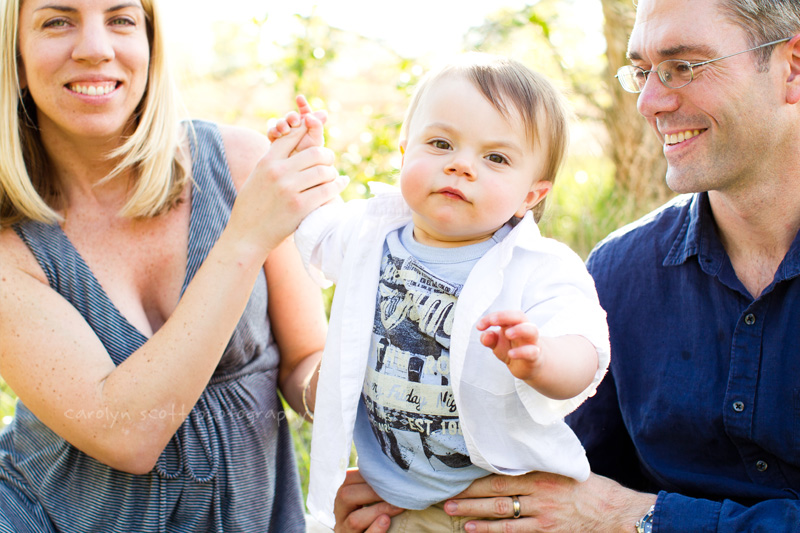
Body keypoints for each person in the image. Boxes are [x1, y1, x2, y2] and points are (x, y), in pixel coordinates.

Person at [394, 0, 799, 531]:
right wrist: (405, 487)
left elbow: (602, 509)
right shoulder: (619, 271)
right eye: (642, 72)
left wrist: (640, 516)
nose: (650, 101)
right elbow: (565, 480)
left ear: (791, 66)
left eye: (685, 66)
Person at [0, 0, 346, 531]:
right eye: (57, 20)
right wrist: (245, 236)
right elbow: (127, 434)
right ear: (16, 58)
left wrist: (386, 382)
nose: (96, 47)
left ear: (150, 47)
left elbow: (306, 362)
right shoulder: (9, 248)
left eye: (121, 19)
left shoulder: (238, 165)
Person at [271, 54, 610, 532]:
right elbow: (316, 226)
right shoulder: (371, 234)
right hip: (396, 502)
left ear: (532, 194)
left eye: (495, 157)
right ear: (405, 150)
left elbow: (585, 350)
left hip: (503, 502)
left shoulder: (540, 267)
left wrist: (541, 357)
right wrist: (305, 156)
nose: (460, 166)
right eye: (441, 143)